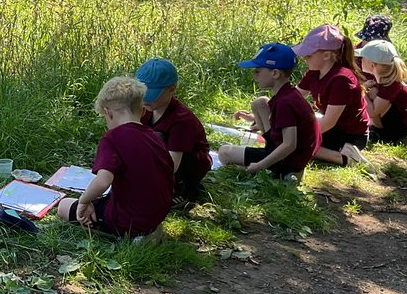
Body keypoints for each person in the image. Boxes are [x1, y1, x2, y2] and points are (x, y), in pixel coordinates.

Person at [57, 76, 173, 237]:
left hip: (129, 219)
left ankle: (131, 235)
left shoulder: (112, 138)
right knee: (106, 201)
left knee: (64, 205)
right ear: (143, 110)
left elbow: (104, 180)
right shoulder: (155, 137)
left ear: (108, 112)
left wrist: (84, 201)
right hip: (157, 213)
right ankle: (148, 230)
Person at [219, 43, 320, 179]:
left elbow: (290, 144)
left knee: (224, 152)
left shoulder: (285, 103)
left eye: (258, 71)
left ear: (275, 73)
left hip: (288, 160)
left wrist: (260, 165)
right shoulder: (288, 93)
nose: (255, 76)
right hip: (290, 153)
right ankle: (270, 156)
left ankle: (282, 172)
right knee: (260, 103)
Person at [291, 23, 370, 168]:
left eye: (308, 55)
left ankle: (345, 158)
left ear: (327, 55)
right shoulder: (314, 72)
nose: (304, 58)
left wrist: (295, 135)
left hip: (350, 135)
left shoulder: (341, 79)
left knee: (294, 143)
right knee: (289, 138)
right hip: (332, 128)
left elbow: (328, 123)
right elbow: (292, 99)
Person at [136, 58, 211, 202]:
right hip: (159, 159)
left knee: (158, 137)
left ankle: (180, 190)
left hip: (186, 165)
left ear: (172, 89)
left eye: (152, 94)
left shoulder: (182, 120)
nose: (146, 100)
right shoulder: (145, 111)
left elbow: (172, 164)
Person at [357, 39, 407, 145]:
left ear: (372, 65)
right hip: (393, 119)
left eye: (362, 58)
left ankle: (383, 134)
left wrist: (361, 90)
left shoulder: (391, 84)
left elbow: (372, 111)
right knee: (373, 93)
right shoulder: (384, 78)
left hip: (401, 127)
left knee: (373, 94)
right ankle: (377, 129)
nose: (360, 60)